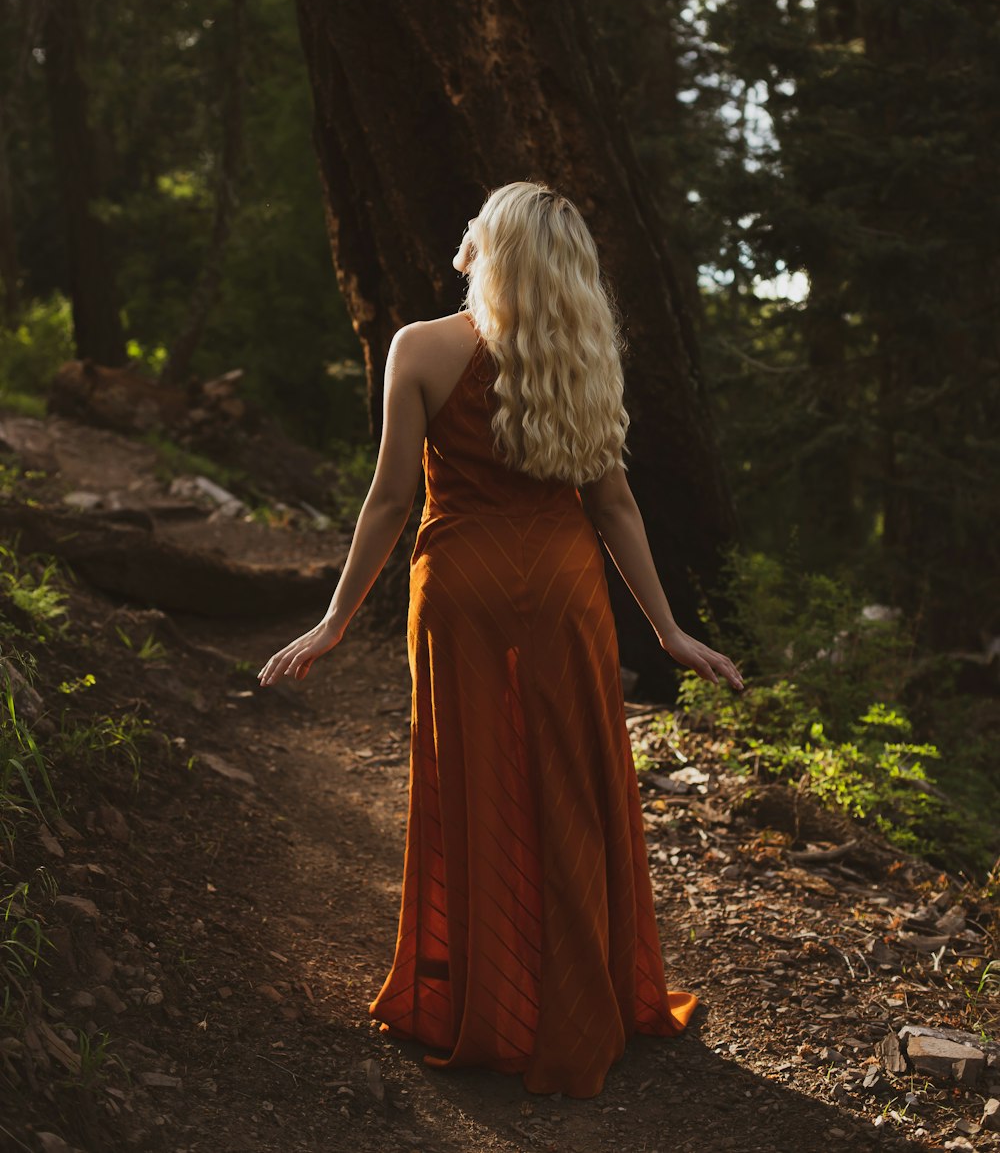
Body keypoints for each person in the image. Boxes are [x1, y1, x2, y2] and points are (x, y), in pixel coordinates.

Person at [257, 180, 745, 1099]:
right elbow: (613, 506)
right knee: (568, 781)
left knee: (477, 779)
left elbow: (392, 501)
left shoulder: (423, 348)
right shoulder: (584, 360)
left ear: (493, 246)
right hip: (567, 592)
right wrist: (668, 629)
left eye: (477, 226)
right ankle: (584, 996)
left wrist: (335, 618)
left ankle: (484, 1001)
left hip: (462, 591)